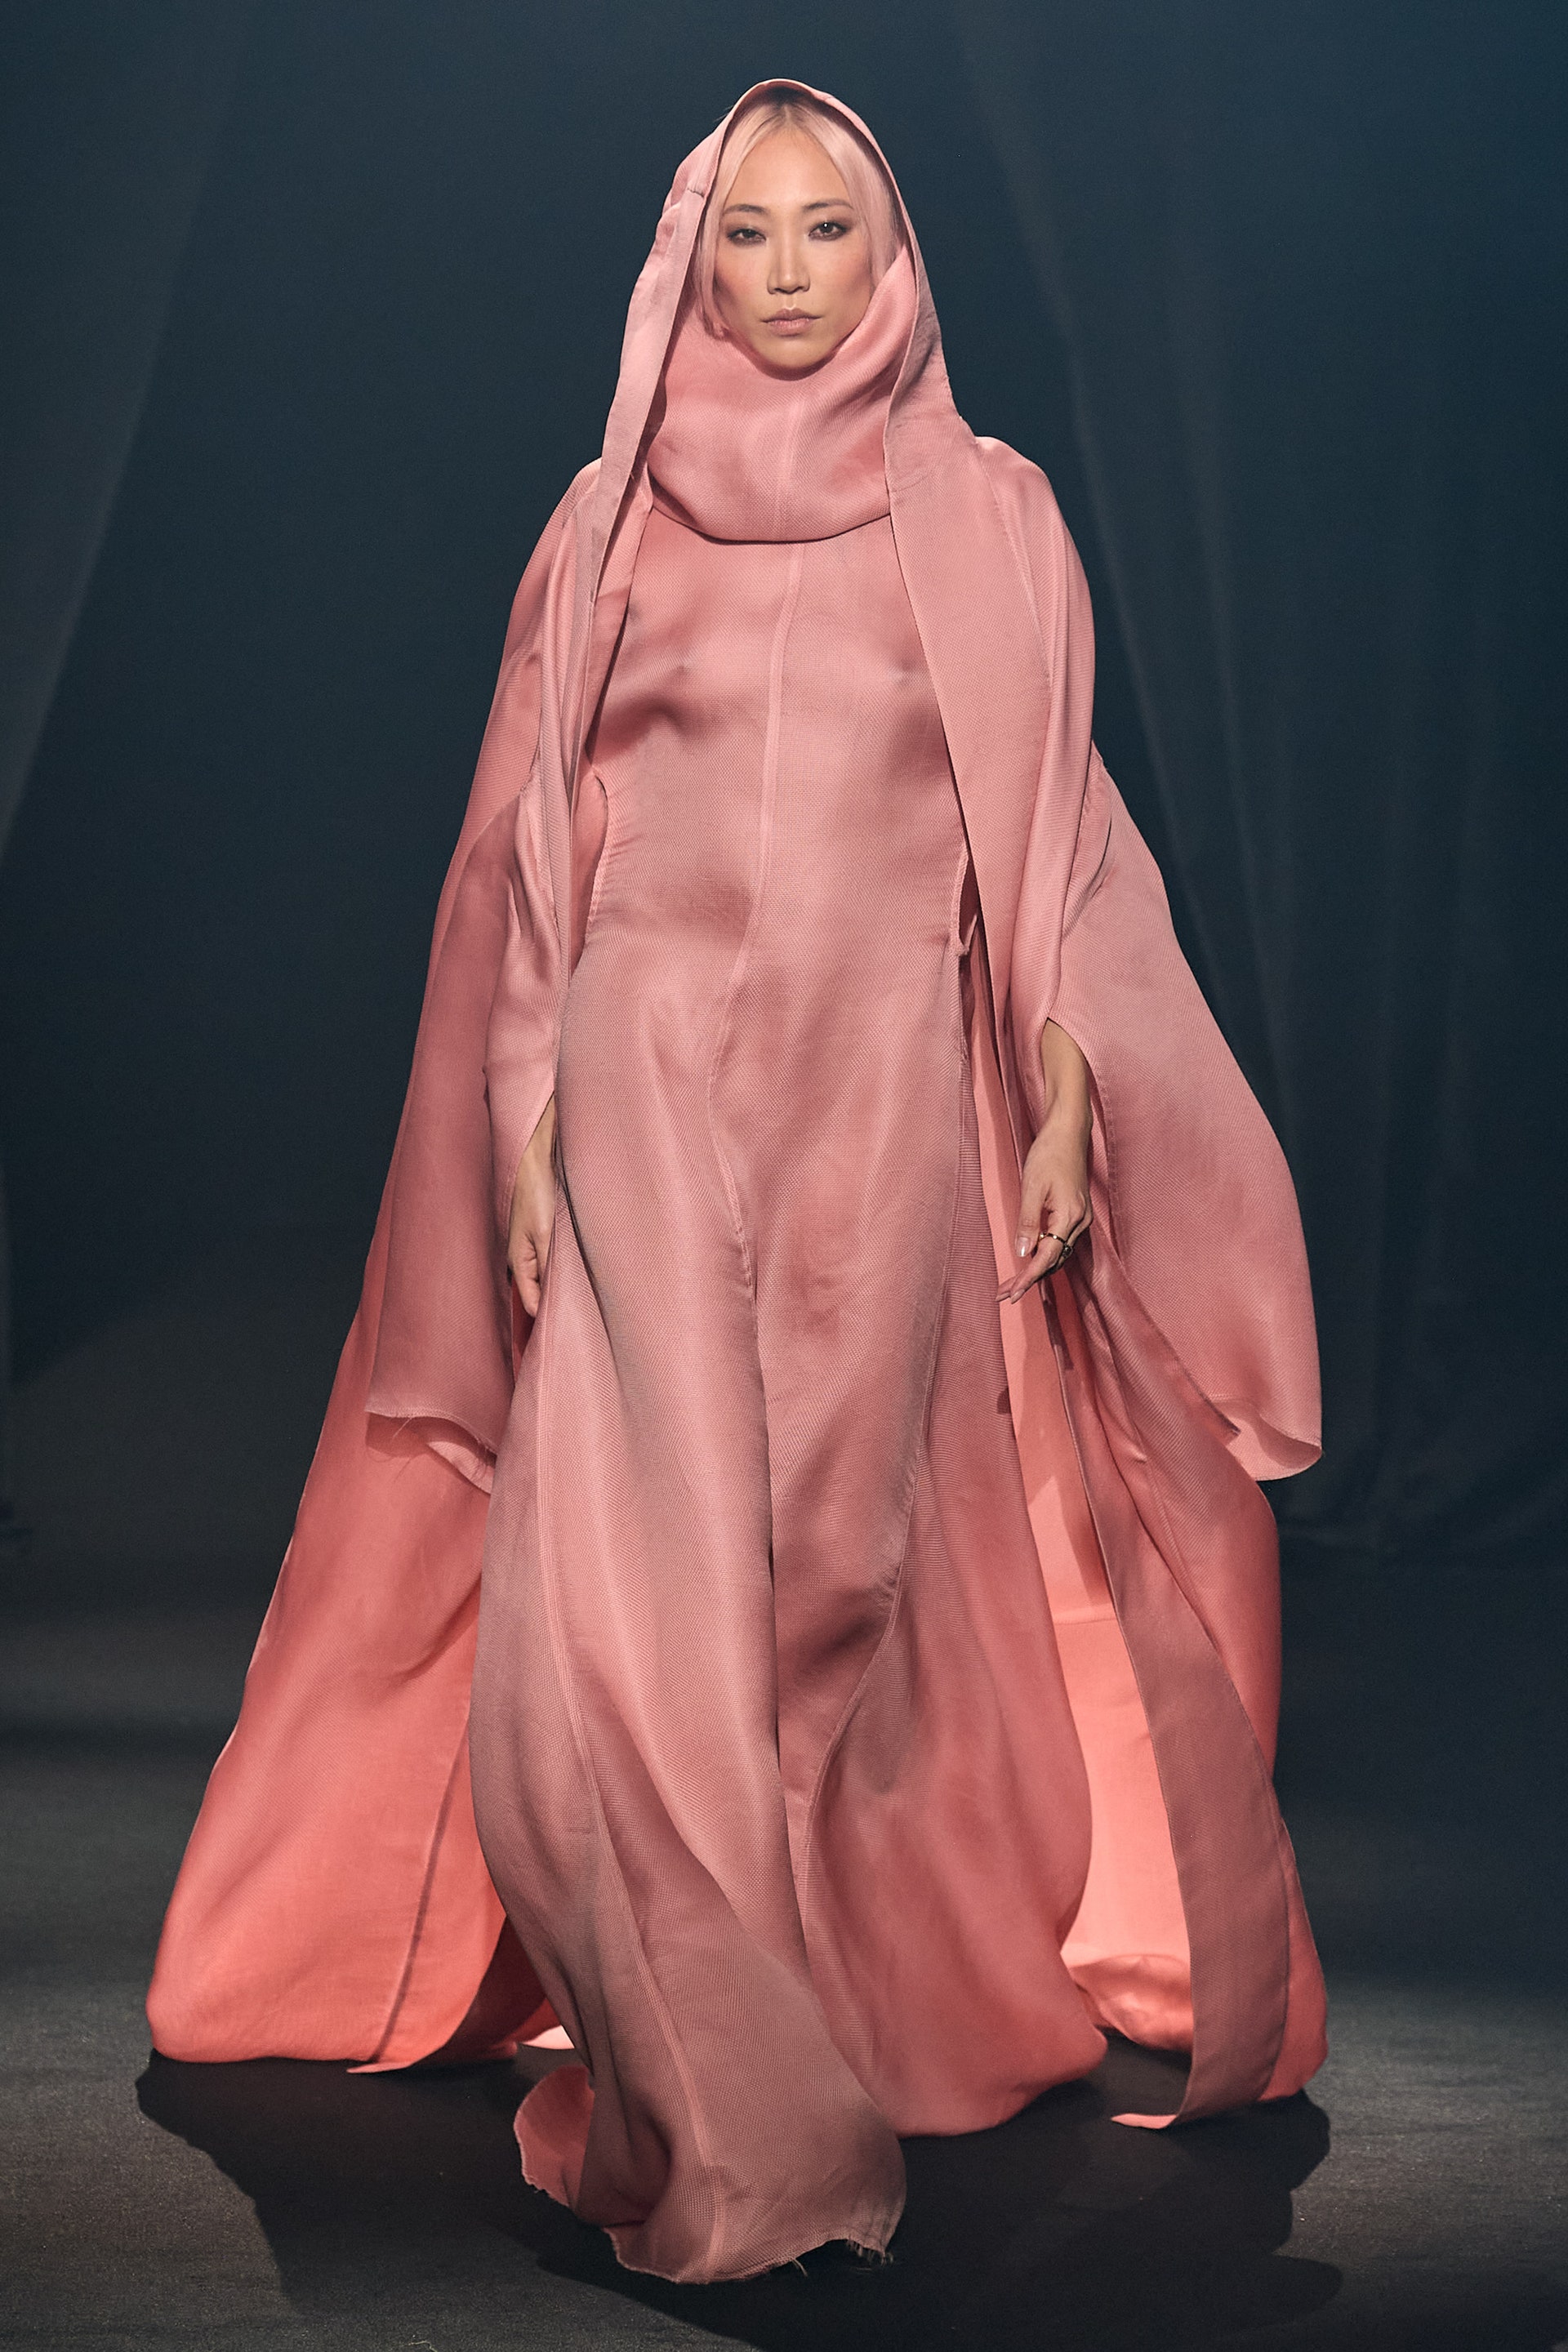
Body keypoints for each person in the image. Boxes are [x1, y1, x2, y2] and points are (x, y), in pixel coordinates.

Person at [148, 82, 1327, 2286]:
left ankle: (827, 1987)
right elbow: (526, 853)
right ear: (688, 263)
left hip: (884, 1103)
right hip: (641, 1081)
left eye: (829, 232)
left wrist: (1068, 1092)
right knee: (635, 1580)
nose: (787, 278)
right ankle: (707, 2078)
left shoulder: (992, 515)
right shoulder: (605, 523)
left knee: (835, 1585)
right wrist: (522, 1118)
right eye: (746, 238)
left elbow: (1059, 841)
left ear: (898, 259)